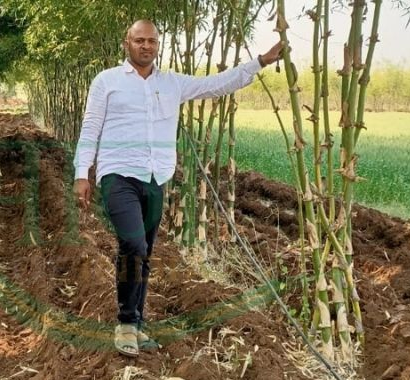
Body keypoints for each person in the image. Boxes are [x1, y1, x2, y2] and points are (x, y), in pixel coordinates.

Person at [73, 19, 282, 357]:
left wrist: (258, 62)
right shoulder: (107, 81)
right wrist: (82, 172)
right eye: (139, 40)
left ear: (158, 45)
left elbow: (217, 84)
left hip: (156, 178)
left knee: (145, 253)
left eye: (152, 41)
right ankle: (126, 322)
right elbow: (91, 127)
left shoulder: (172, 83)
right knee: (132, 243)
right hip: (117, 174)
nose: (146, 46)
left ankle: (137, 326)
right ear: (127, 43)